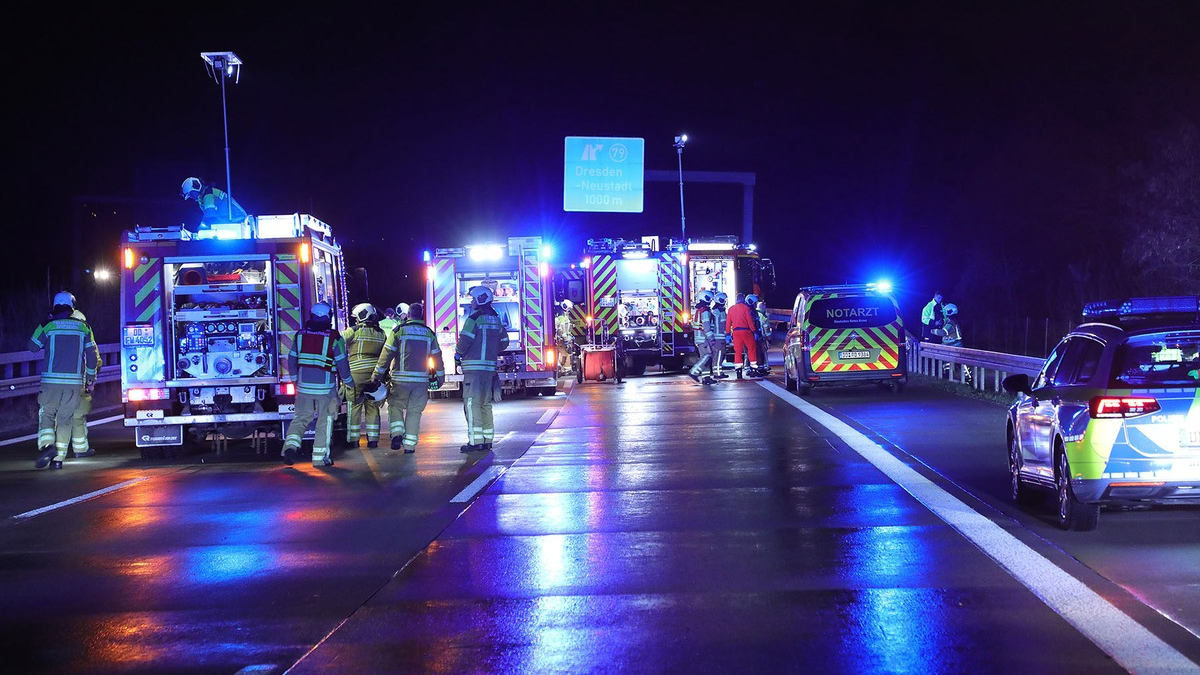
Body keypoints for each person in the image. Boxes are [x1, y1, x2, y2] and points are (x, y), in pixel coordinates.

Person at [30, 292, 98, 470]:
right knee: (65, 419)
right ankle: (58, 460)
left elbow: (33, 347)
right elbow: (92, 356)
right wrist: (90, 378)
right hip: (74, 383)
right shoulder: (84, 327)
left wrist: (44, 324)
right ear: (72, 306)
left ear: (54, 306)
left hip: (51, 382)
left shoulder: (48, 325)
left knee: (47, 414)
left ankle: (47, 446)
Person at [281, 301, 352, 468]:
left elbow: (291, 360)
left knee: (300, 418)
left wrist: (295, 380)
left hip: (304, 387)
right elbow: (342, 363)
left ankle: (290, 447)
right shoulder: (334, 337)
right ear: (329, 317)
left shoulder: (300, 335)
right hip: (325, 389)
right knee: (324, 421)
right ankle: (320, 458)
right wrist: (349, 382)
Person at [373, 302, 445, 453]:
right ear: (421, 315)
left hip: (400, 380)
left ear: (409, 315)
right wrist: (440, 377)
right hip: (421, 381)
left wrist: (377, 375)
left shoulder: (399, 331)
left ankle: (397, 434)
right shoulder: (429, 333)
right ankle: (410, 446)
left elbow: (386, 355)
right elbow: (437, 357)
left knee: (395, 406)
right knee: (414, 412)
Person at [455, 285, 509, 453]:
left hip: (473, 370)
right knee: (485, 404)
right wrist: (491, 350)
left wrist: (457, 354)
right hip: (489, 370)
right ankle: (487, 440)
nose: (471, 302)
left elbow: (464, 341)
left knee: (472, 404)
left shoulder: (473, 319)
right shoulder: (496, 319)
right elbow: (504, 342)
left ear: (480, 299)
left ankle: (475, 441)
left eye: (473, 299)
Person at [343, 303, 388, 448]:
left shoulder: (354, 331)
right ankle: (373, 440)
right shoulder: (381, 333)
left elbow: (336, 342)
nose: (355, 320)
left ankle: (353, 440)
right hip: (375, 376)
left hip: (356, 376)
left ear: (362, 316)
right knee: (373, 406)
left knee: (354, 406)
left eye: (356, 317)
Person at [68, 309, 101, 459]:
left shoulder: (55, 330)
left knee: (56, 415)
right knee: (78, 415)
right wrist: (90, 381)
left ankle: (56, 449)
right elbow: (95, 359)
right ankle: (80, 449)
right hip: (79, 382)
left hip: (55, 383)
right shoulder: (85, 331)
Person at [181, 177, 248, 233]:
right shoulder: (203, 197)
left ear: (195, 188)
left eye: (190, 194)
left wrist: (197, 231)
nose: (191, 197)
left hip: (237, 221)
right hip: (231, 222)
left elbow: (210, 217)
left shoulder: (208, 194)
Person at [727, 293, 762, 379]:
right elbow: (749, 321)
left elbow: (728, 323)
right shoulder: (746, 308)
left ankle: (738, 371)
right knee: (751, 349)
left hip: (736, 332)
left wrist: (728, 333)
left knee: (738, 351)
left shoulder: (731, 309)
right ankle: (753, 368)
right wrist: (754, 331)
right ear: (743, 299)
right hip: (746, 331)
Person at [688, 291, 717, 385]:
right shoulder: (705, 312)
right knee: (707, 356)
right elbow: (706, 327)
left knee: (705, 357)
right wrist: (712, 339)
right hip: (704, 338)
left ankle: (706, 378)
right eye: (710, 299)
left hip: (700, 338)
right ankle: (694, 372)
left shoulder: (699, 310)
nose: (711, 301)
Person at [711, 292, 729, 379]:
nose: (725, 302)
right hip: (719, 337)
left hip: (717, 336)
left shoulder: (715, 311)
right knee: (718, 355)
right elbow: (724, 324)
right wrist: (727, 334)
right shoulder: (720, 312)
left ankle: (718, 371)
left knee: (718, 355)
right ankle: (717, 373)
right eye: (724, 300)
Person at [555, 300, 575, 374]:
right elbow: (561, 330)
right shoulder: (560, 318)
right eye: (568, 309)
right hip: (562, 339)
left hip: (565, 339)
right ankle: (563, 368)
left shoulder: (564, 317)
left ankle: (563, 368)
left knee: (566, 353)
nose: (569, 311)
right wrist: (566, 339)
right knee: (564, 353)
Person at [755, 299, 772, 373]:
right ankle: (765, 366)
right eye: (765, 307)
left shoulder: (754, 313)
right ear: (762, 307)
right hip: (762, 337)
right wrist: (769, 338)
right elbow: (766, 328)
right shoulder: (763, 316)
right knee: (763, 352)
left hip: (753, 336)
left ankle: (753, 367)